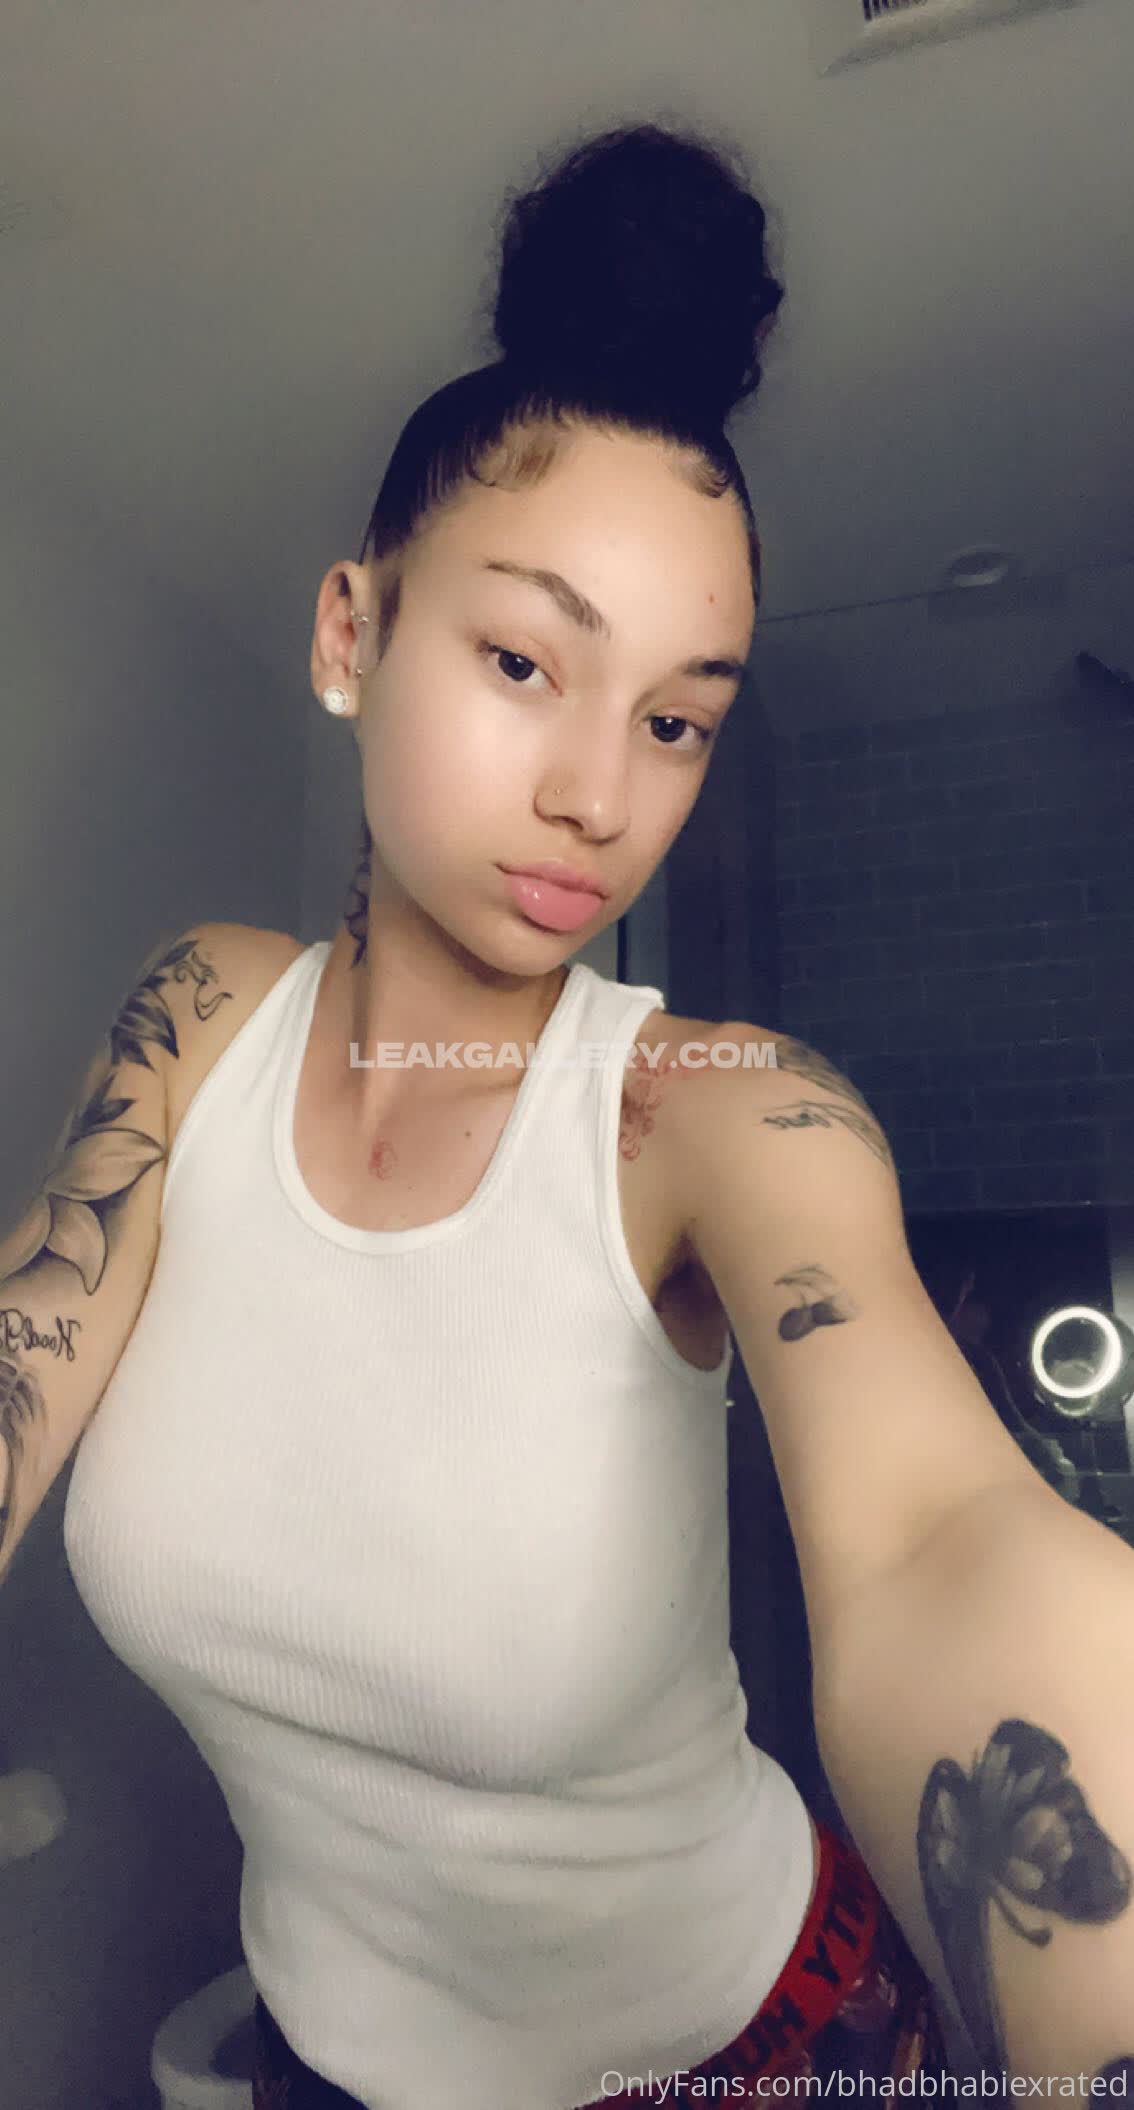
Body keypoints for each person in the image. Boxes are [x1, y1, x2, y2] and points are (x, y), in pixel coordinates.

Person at [7, 118, 1134, 2108]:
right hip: (325, 2059)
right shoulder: (203, 1016)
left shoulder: (721, 1116)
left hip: (743, 2044)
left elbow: (943, 1538)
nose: (600, 794)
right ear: (351, 632)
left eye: (678, 717)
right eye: (526, 659)